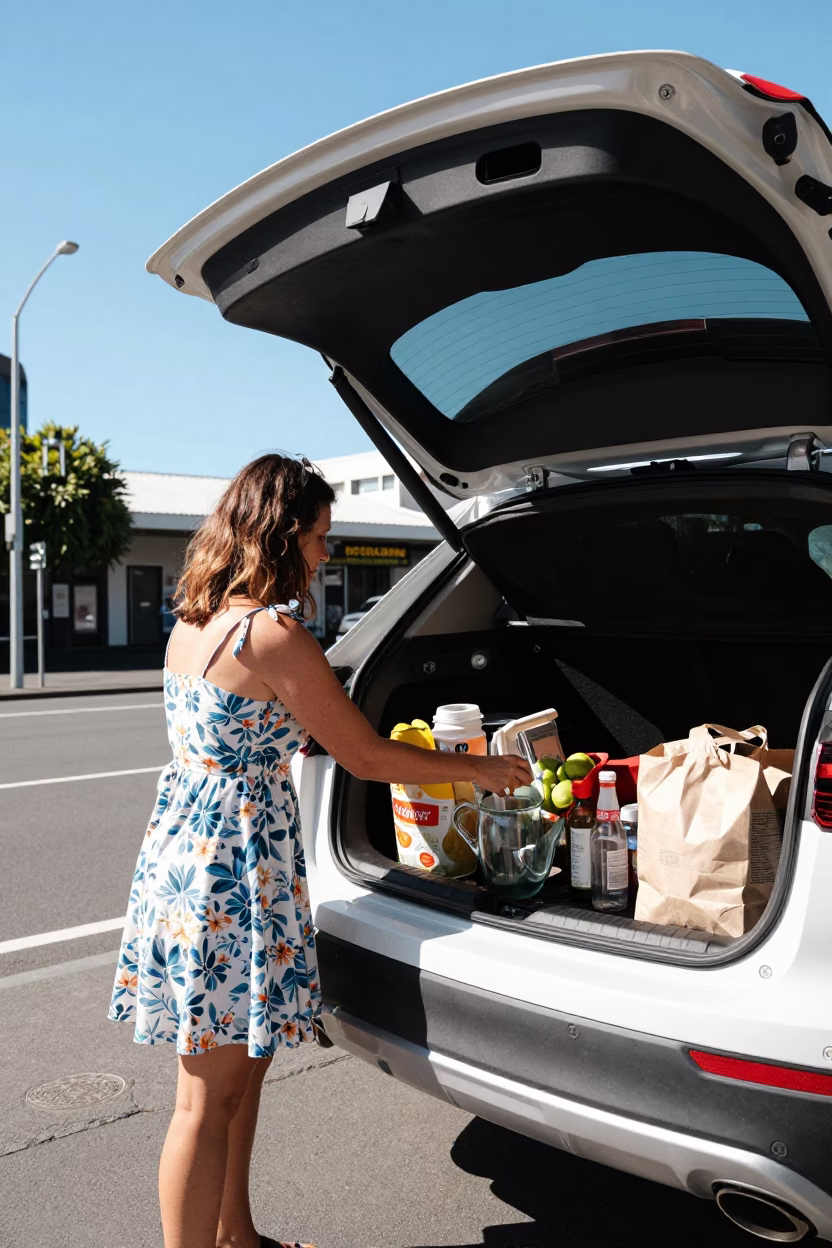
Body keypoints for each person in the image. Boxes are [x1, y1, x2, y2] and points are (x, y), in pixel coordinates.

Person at [108, 453, 531, 1248]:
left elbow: (255, 733)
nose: (323, 554)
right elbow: (364, 756)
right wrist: (482, 769)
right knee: (205, 1099)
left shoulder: (198, 618)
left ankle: (236, 1236)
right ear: (282, 533)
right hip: (232, 873)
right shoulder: (271, 632)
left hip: (197, 859)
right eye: (318, 537)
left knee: (243, 1073)